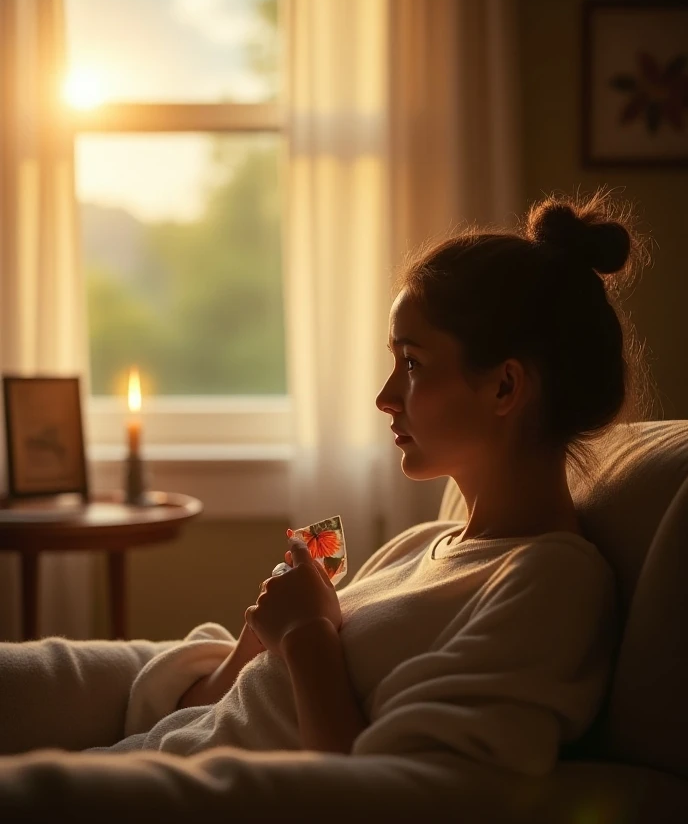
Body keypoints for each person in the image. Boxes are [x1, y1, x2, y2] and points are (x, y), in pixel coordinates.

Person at [88, 188, 651, 775]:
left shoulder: (551, 584)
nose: (385, 398)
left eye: (412, 363)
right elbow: (215, 712)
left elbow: (384, 803)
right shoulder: (420, 545)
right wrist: (259, 642)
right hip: (145, 765)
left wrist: (306, 636)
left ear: (505, 387)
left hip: (177, 810)